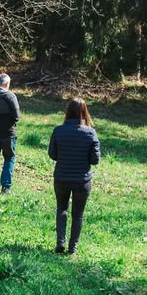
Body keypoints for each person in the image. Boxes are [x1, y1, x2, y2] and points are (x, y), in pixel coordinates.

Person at [48, 98, 101, 255]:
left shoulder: (58, 130)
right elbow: (95, 160)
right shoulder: (91, 133)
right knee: (78, 215)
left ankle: (60, 242)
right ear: (84, 112)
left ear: (68, 111)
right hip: (82, 180)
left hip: (61, 178)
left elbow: (52, 154)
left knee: (61, 209)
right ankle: (72, 247)